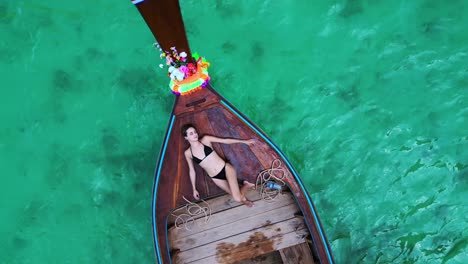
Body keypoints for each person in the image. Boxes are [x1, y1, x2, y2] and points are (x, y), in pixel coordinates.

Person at [182, 123, 256, 207]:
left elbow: (225, 140)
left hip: (226, 168)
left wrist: (244, 141)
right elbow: (192, 171)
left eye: (195, 132)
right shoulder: (188, 153)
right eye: (191, 133)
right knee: (235, 194)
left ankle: (246, 185)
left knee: (237, 198)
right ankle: (244, 199)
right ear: (186, 137)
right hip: (216, 178)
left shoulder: (205, 140)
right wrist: (194, 189)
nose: (195, 134)